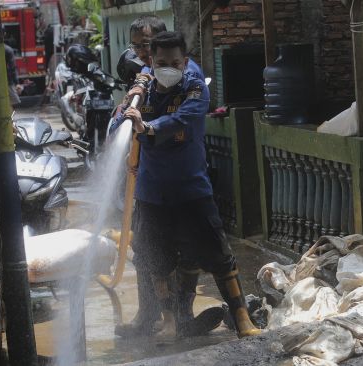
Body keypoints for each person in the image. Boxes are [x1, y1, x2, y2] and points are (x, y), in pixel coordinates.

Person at [111, 31, 260, 339]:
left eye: (175, 62)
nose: (168, 67)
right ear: (151, 61)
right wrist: (127, 115)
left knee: (219, 256)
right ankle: (168, 322)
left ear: (185, 61)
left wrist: (148, 127)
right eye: (161, 62)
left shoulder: (193, 86)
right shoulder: (143, 88)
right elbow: (117, 124)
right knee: (156, 260)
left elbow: (183, 120)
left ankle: (242, 318)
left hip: (191, 189)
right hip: (152, 192)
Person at [113, 16, 221, 339]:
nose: (143, 54)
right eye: (137, 47)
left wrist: (146, 132)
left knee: (188, 252)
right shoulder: (145, 78)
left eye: (147, 46)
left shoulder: (187, 78)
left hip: (184, 181)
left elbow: (174, 123)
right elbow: (128, 120)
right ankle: (152, 316)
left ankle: (179, 316)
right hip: (150, 183)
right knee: (147, 253)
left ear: (166, 46)